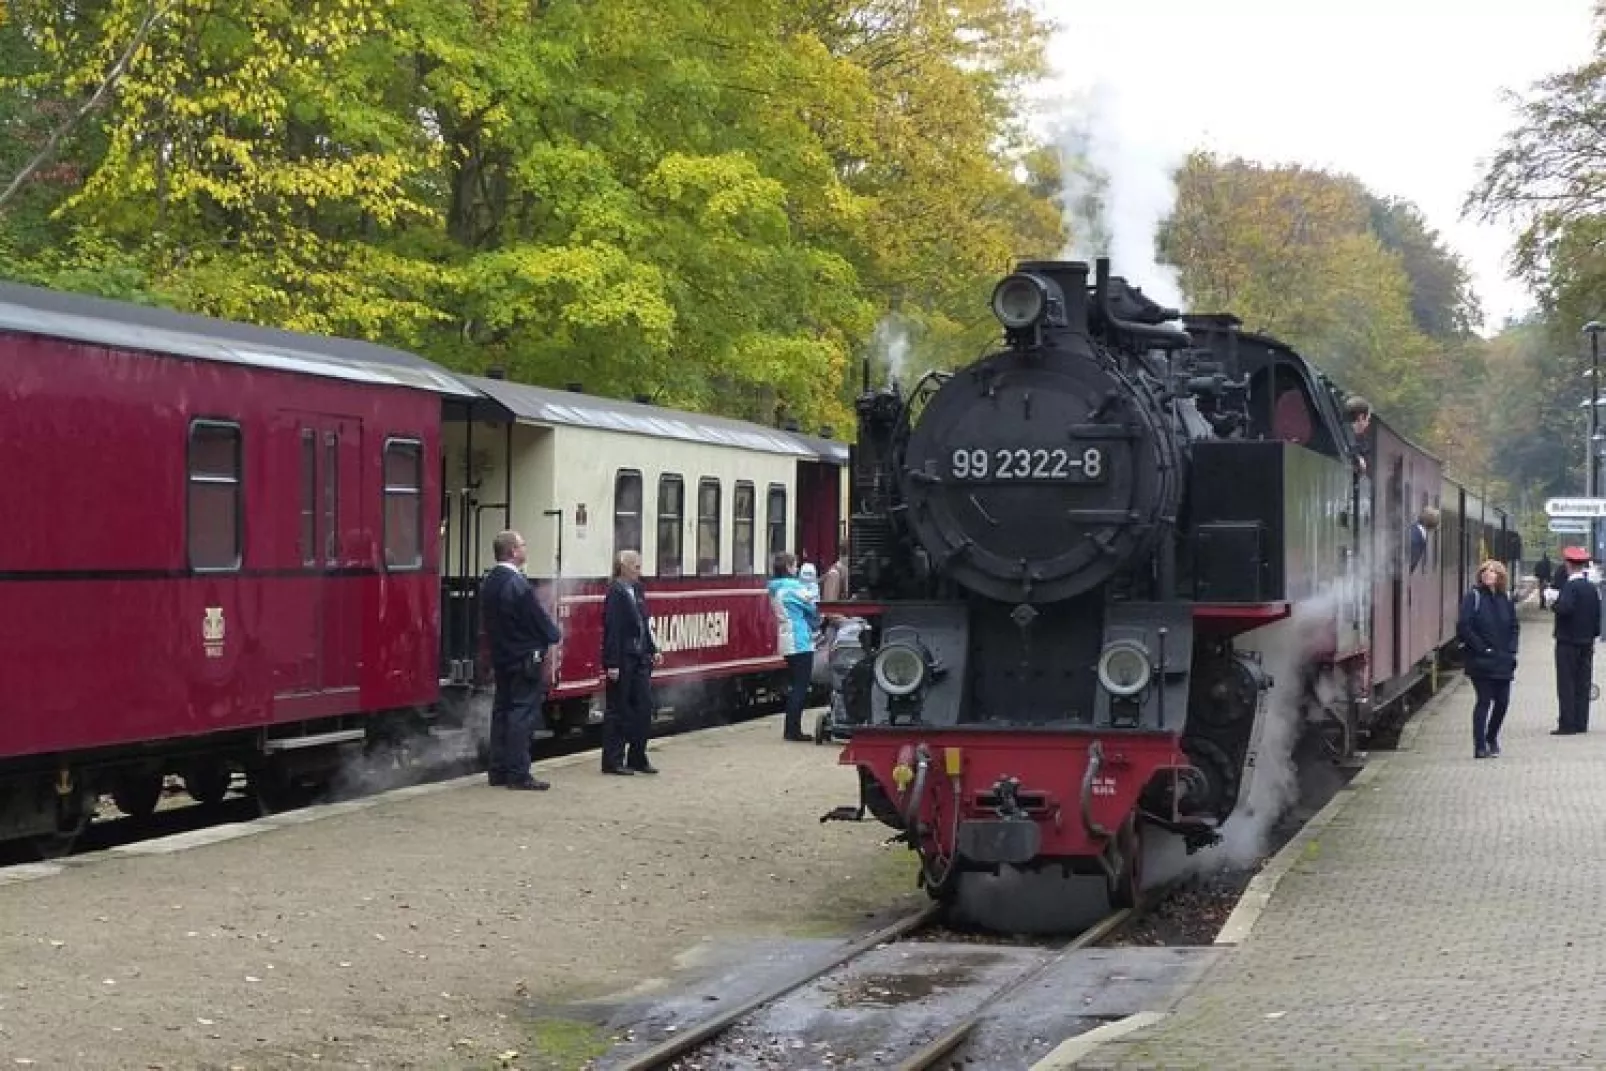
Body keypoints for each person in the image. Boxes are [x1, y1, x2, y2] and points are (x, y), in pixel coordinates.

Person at [480, 530, 563, 790]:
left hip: (501, 657)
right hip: (524, 658)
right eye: (523, 545)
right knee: (521, 714)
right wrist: (553, 634)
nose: (526, 549)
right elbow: (537, 619)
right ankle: (518, 773)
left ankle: (498, 770)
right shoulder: (517, 584)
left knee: (501, 713)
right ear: (513, 551)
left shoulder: (490, 581)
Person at [601, 549, 662, 775]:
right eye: (636, 566)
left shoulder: (637, 590)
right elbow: (612, 631)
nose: (640, 571)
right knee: (618, 709)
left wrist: (652, 648)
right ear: (623, 567)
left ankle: (637, 756)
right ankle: (612, 760)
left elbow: (644, 622)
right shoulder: (615, 593)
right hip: (623, 658)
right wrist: (612, 663)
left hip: (639, 657)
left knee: (643, 707)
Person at [1457, 560, 1519, 758]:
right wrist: (1482, 648)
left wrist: (1511, 650)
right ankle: (1480, 746)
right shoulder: (1473, 597)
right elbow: (1464, 626)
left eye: (1492, 571)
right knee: (1484, 701)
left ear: (1500, 576)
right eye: (1484, 570)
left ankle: (1491, 736)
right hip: (1481, 660)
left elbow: (1514, 627)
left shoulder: (1506, 599)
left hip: (1503, 660)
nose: (1487, 574)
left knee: (1502, 702)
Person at [768, 552, 820, 742]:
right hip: (800, 640)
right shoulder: (793, 588)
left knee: (795, 685)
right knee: (801, 686)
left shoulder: (774, 589)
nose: (797, 569)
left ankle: (791, 728)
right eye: (795, 565)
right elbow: (812, 607)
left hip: (785, 639)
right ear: (789, 567)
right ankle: (793, 730)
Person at [1552, 545, 1602, 735]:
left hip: (1567, 642)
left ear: (1568, 565)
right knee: (1583, 683)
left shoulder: (1569, 587)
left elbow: (1565, 609)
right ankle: (1582, 723)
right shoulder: (1591, 589)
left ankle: (1567, 723)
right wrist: (1591, 636)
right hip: (1586, 642)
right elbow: (1597, 617)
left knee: (1566, 683)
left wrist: (1552, 604)